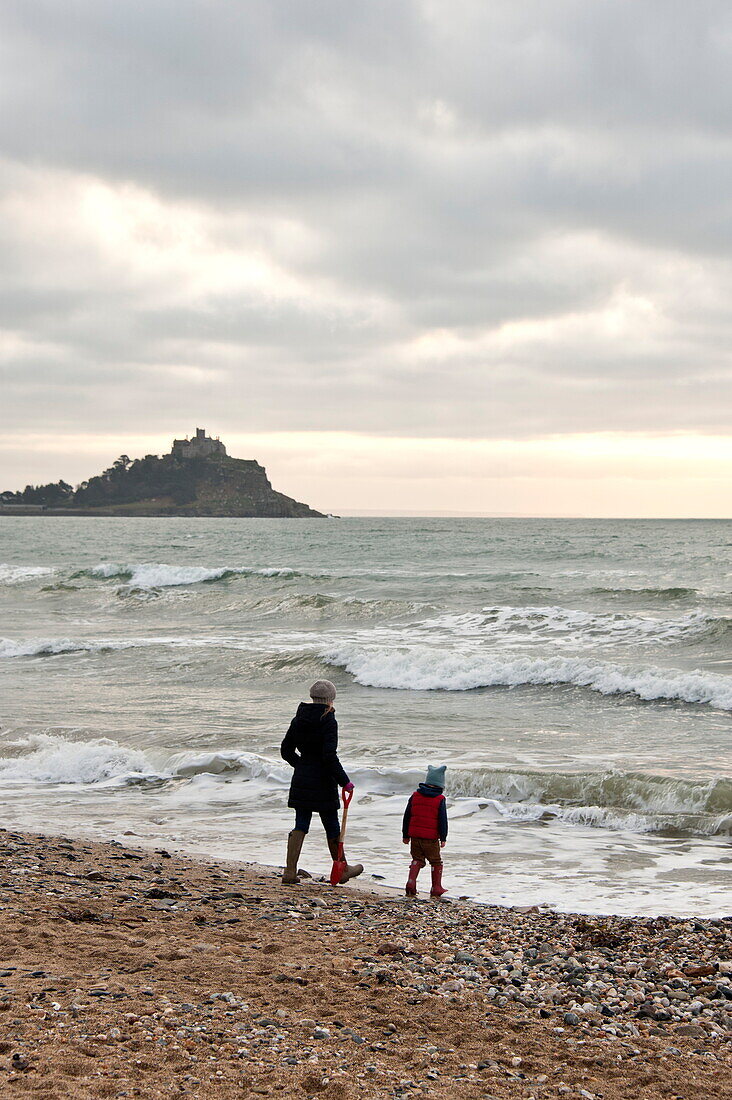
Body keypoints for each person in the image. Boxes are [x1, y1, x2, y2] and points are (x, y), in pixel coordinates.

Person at [280, 679, 363, 886]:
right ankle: (341, 869)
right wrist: (345, 782)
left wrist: (301, 766)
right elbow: (329, 756)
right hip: (323, 780)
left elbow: (286, 750)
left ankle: (290, 872)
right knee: (332, 824)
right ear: (330, 700)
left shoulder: (298, 718)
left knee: (301, 823)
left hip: (302, 778)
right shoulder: (328, 720)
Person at [402, 764, 448, 898]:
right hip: (431, 838)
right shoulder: (440, 799)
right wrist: (443, 837)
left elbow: (407, 816)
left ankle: (411, 883)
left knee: (417, 859)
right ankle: (436, 887)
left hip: (415, 836)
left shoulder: (415, 795)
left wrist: (405, 835)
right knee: (436, 862)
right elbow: (442, 820)